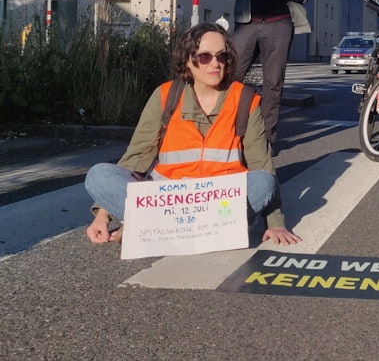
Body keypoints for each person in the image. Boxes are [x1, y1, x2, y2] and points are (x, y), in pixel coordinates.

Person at [83, 23, 300, 246]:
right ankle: (194, 231)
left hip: (221, 202)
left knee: (264, 182)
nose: (215, 64)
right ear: (187, 59)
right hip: (168, 199)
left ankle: (154, 228)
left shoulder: (245, 100)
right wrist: (102, 215)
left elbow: (261, 165)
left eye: (222, 56)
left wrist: (275, 223)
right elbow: (136, 158)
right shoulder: (166, 95)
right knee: (99, 175)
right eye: (204, 56)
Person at [222, 0, 313, 146]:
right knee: (231, 78)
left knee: (273, 84)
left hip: (280, 24)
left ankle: (265, 140)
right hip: (247, 23)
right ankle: (228, 134)